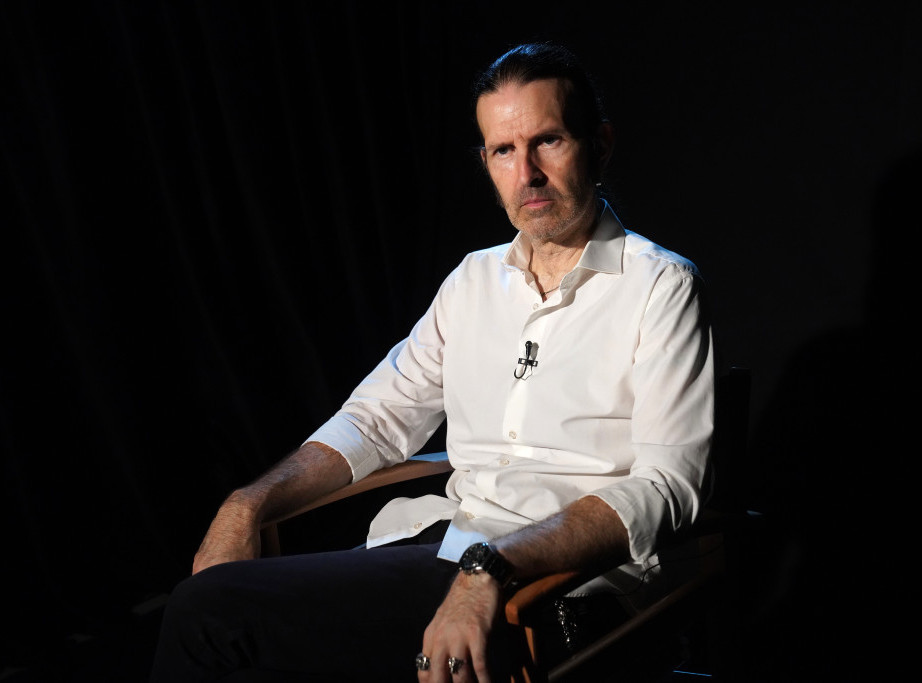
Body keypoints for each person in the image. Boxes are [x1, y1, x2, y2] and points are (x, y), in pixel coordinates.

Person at [150, 42, 714, 682]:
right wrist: (246, 504)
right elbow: (375, 420)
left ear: (600, 145)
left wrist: (489, 567)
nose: (526, 172)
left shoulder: (660, 285)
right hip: (444, 552)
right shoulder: (473, 281)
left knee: (209, 616)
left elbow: (668, 486)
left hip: (555, 590)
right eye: (503, 151)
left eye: (548, 141)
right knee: (222, 615)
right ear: (486, 163)